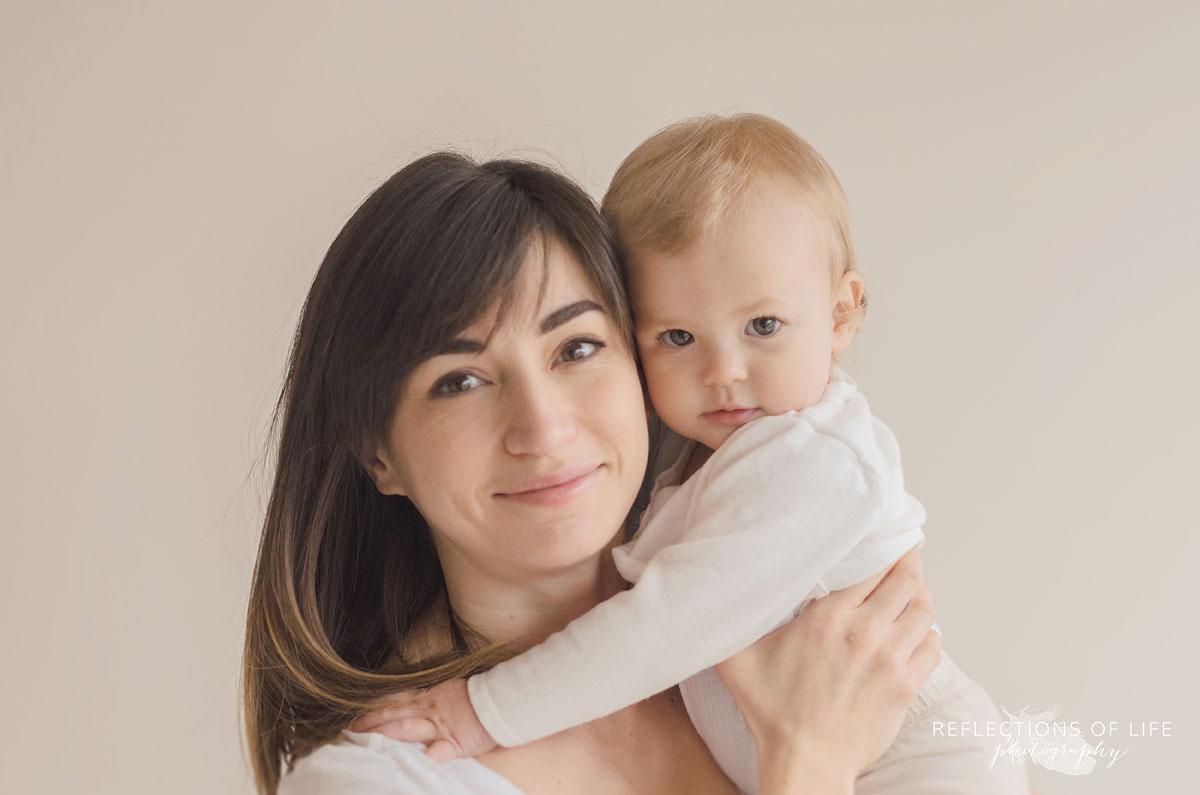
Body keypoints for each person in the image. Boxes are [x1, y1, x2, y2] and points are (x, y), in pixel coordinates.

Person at [350, 116, 1029, 794]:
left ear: (841, 315)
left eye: (763, 325)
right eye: (677, 336)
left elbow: (669, 623)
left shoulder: (814, 463)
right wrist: (806, 765)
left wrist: (485, 710)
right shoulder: (706, 452)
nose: (722, 371)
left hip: (927, 757)